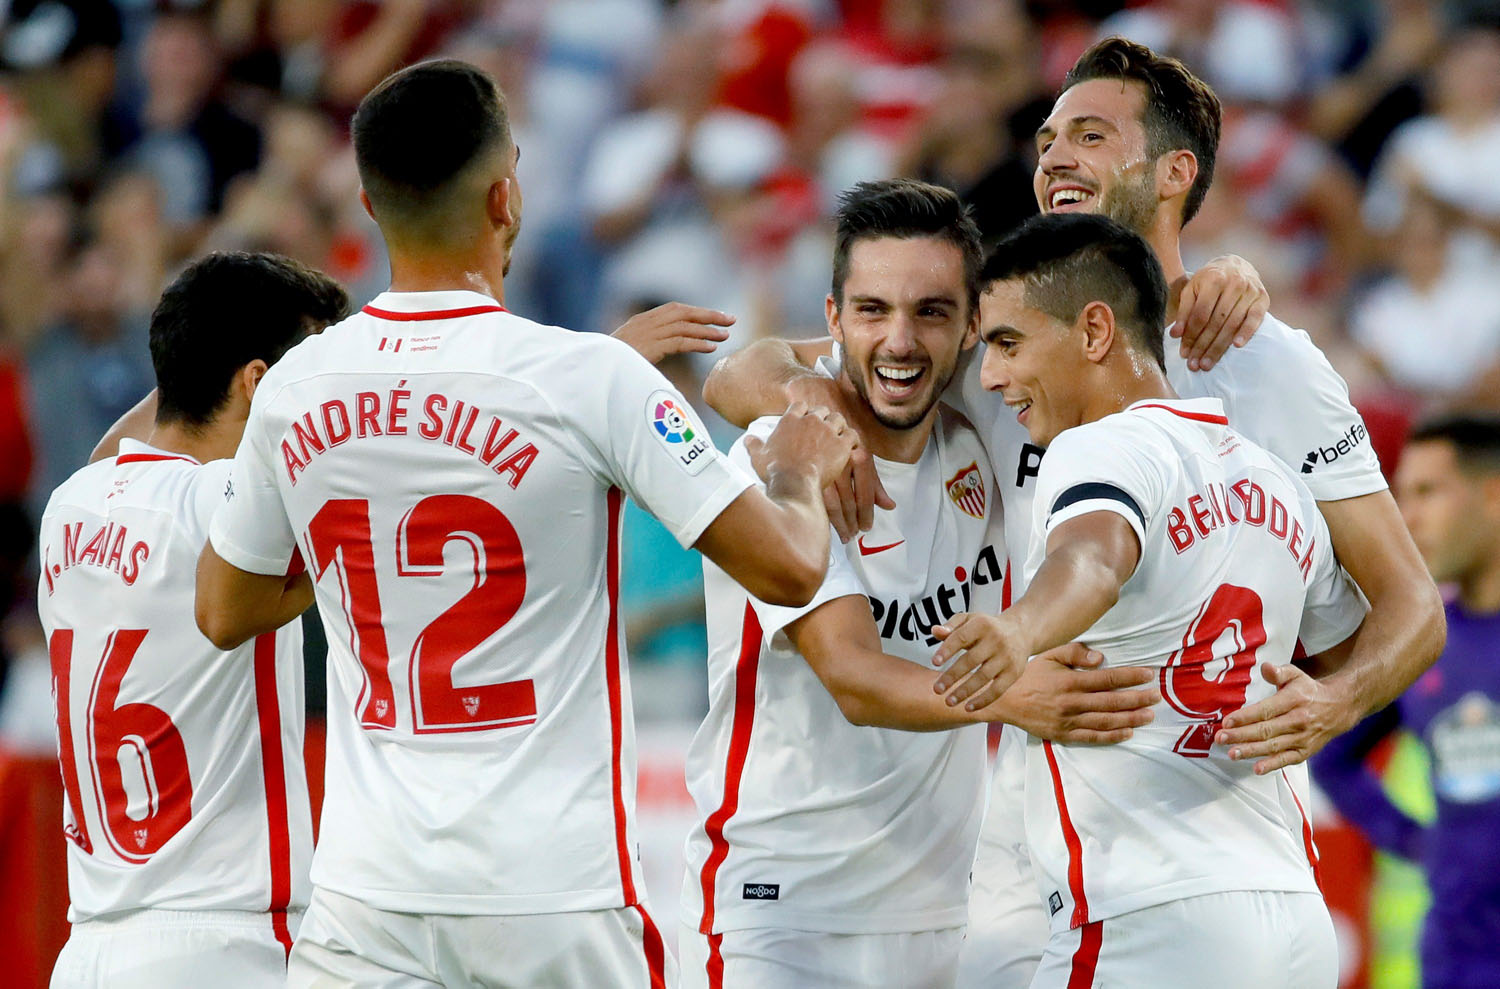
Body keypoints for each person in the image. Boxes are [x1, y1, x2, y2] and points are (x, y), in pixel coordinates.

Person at [702, 36, 1444, 986]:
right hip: (1036, 855)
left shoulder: (1269, 366)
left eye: (1089, 134)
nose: (1053, 156)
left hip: (1186, 846)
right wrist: (807, 408)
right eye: (1049, 136)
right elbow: (746, 369)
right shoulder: (1000, 347)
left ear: (1175, 171)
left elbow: (1405, 607)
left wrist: (1337, 700)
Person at [193, 60, 857, 988]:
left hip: (365, 895)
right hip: (552, 894)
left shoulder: (297, 385)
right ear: (507, 195)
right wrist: (796, 462)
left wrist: (360, 549)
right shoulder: (585, 380)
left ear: (369, 204)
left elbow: (224, 609)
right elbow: (788, 568)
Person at [679, 179, 1158, 989]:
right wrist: (1015, 695)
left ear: (974, 326)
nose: (899, 341)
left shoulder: (987, 424)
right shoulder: (779, 458)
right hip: (785, 912)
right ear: (832, 321)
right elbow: (855, 677)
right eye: (871, 311)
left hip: (946, 912)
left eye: (931, 311)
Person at [937, 211, 1362, 987]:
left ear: (1095, 330)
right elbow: (1349, 643)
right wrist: (1337, 697)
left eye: (1007, 342)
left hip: (1149, 912)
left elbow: (1093, 557)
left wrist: (1018, 626)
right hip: (1293, 910)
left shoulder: (1098, 446)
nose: (991, 377)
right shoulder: (1272, 480)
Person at [38, 251, 350, 988]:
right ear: (259, 383)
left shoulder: (71, 504)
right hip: (223, 944)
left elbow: (121, 447)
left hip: (88, 947)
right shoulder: (228, 507)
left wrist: (191, 343)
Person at [1315, 416, 1500, 989]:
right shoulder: (1424, 642)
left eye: (1427, 492)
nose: (1408, 517)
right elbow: (1333, 757)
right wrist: (1422, 843)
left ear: (1493, 494)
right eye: (1401, 495)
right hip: (1453, 961)